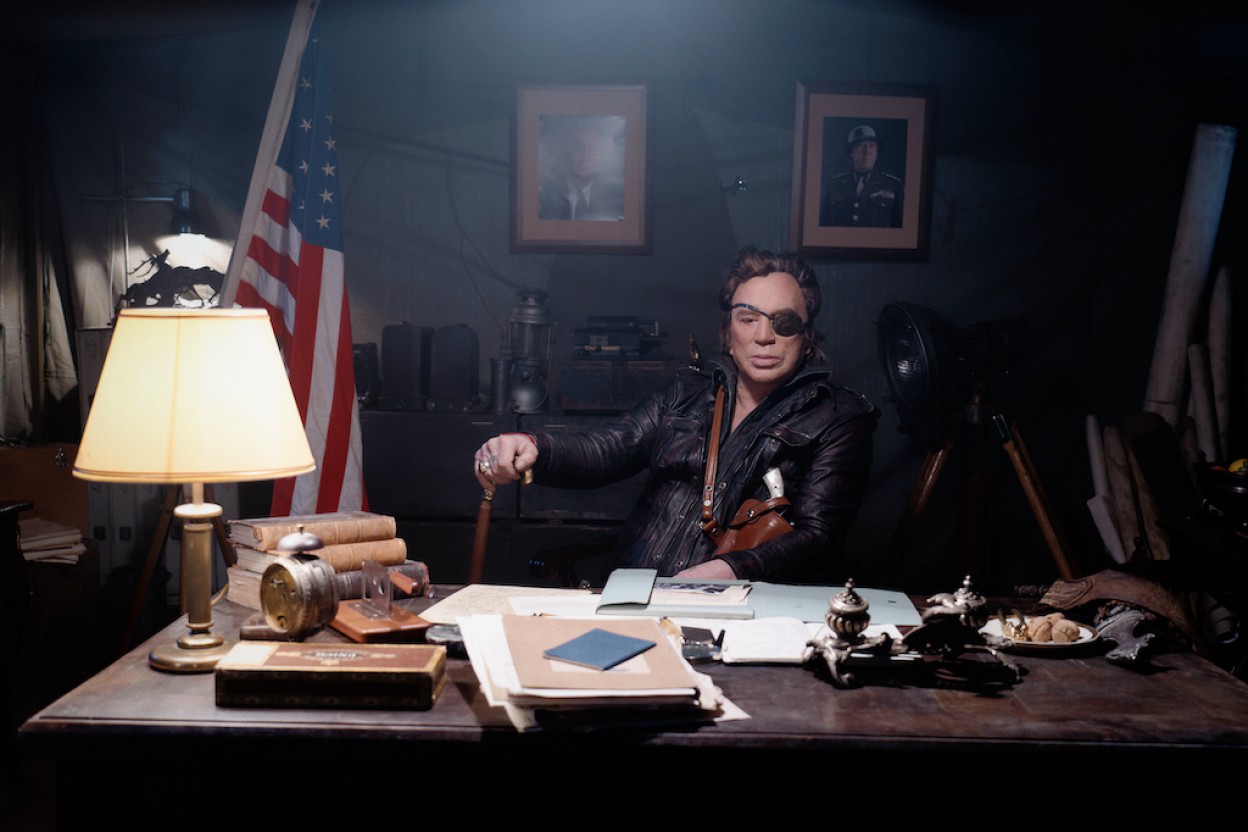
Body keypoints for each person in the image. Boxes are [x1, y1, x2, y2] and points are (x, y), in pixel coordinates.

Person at [472, 246, 878, 583]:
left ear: (806, 337)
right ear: (728, 332)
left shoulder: (838, 419)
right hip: (633, 597)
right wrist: (532, 446)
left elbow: (818, 535)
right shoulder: (685, 395)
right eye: (748, 318)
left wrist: (731, 570)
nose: (763, 336)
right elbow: (607, 449)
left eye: (783, 323)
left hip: (743, 613)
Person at [537, 118, 626, 222]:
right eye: (578, 147)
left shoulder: (616, 199)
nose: (585, 157)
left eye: (593, 149)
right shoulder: (543, 197)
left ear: (602, 155)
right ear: (567, 151)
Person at [820, 124, 904, 228]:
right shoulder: (835, 184)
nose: (866, 152)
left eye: (871, 146)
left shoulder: (893, 185)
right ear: (851, 152)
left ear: (877, 151)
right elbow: (824, 226)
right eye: (860, 145)